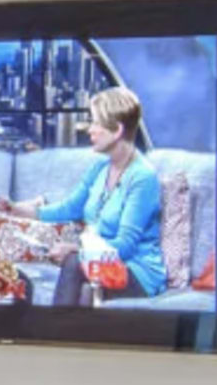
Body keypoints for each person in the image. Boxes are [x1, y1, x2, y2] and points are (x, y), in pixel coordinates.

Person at [28, 85, 167, 298]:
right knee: (76, 265)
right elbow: (71, 207)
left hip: (136, 273)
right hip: (99, 262)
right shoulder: (100, 168)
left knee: (75, 263)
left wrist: (76, 250)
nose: (89, 129)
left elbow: (125, 247)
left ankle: (52, 329)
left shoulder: (142, 177)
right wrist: (26, 212)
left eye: (96, 123)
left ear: (117, 130)